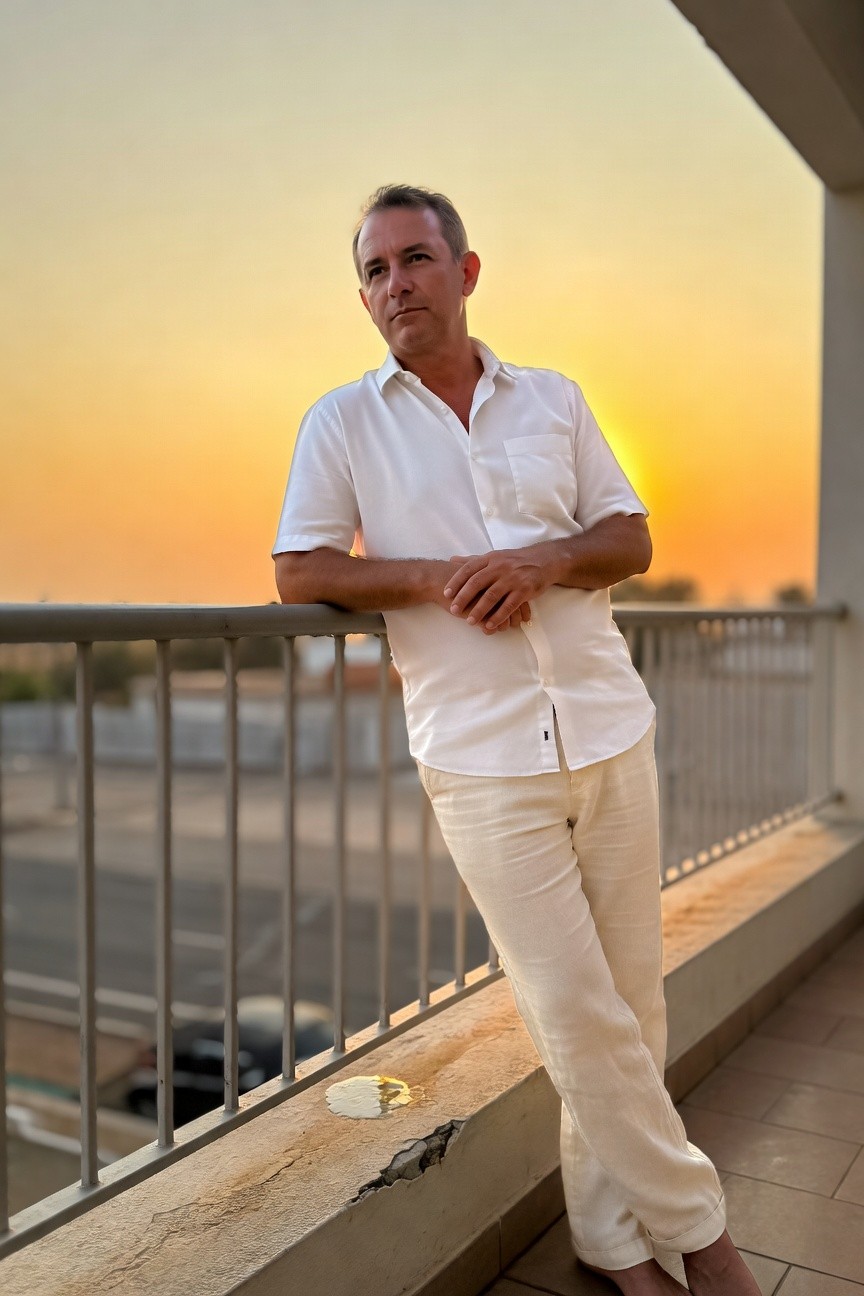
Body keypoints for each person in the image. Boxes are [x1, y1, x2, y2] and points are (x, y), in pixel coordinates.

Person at [272, 184, 760, 1296]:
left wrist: (540, 562)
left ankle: (611, 1240)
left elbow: (629, 537)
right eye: (376, 270)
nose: (396, 284)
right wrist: (441, 580)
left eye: (415, 258)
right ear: (365, 295)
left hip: (607, 727)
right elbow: (303, 570)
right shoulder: (341, 423)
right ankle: (707, 1243)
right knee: (576, 1011)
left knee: (631, 1005)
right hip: (480, 760)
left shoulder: (554, 400)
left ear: (466, 270)